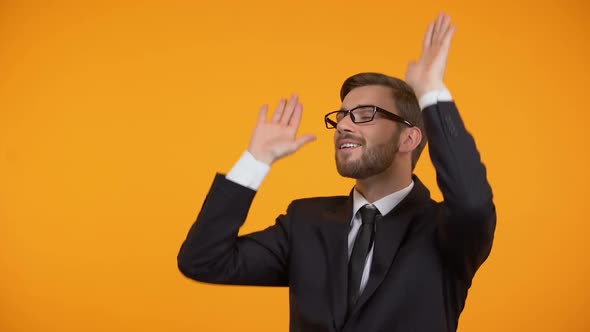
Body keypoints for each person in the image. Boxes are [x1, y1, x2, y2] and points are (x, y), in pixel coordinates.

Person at [178, 13, 496, 332]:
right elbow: (203, 261)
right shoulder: (305, 221)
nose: (342, 125)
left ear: (408, 138)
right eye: (341, 116)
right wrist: (255, 160)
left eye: (363, 114)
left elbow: (472, 202)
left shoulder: (446, 230)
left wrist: (430, 92)